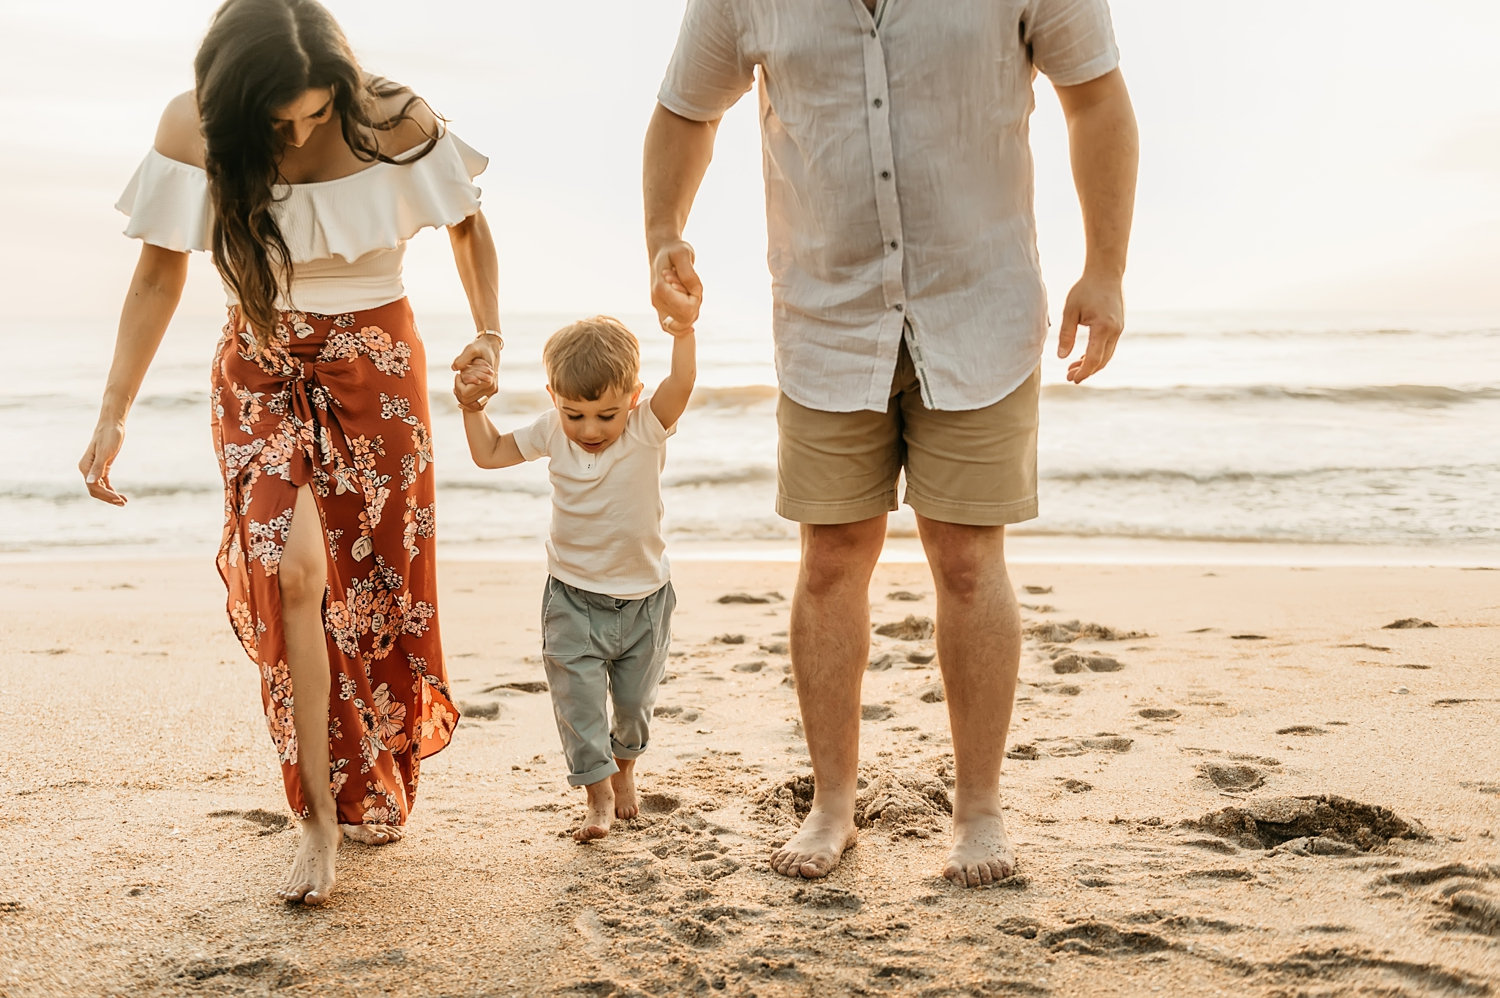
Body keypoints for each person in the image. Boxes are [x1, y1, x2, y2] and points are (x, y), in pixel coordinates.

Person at [643, 0, 1139, 887]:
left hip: (979, 306)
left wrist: (1105, 269)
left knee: (967, 559)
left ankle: (979, 811)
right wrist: (663, 236)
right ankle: (834, 804)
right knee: (831, 557)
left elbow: (1095, 98)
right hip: (827, 315)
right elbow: (686, 110)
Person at [78, 0, 505, 906]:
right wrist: (114, 411)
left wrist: (491, 334)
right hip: (261, 366)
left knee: (378, 590)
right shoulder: (191, 129)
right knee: (293, 574)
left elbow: (467, 225)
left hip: (379, 365)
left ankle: (364, 772)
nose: (306, 129)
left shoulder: (394, 116)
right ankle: (313, 819)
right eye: (284, 119)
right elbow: (159, 270)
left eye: (319, 110)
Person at [456, 315, 696, 842]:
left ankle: (625, 768)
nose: (590, 430)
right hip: (571, 598)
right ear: (554, 397)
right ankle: (598, 793)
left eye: (605, 415)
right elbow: (489, 453)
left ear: (633, 397)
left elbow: (681, 384)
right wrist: (472, 408)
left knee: (633, 706)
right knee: (578, 705)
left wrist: (683, 333)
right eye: (575, 414)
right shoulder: (550, 430)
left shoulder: (646, 426)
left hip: (644, 601)